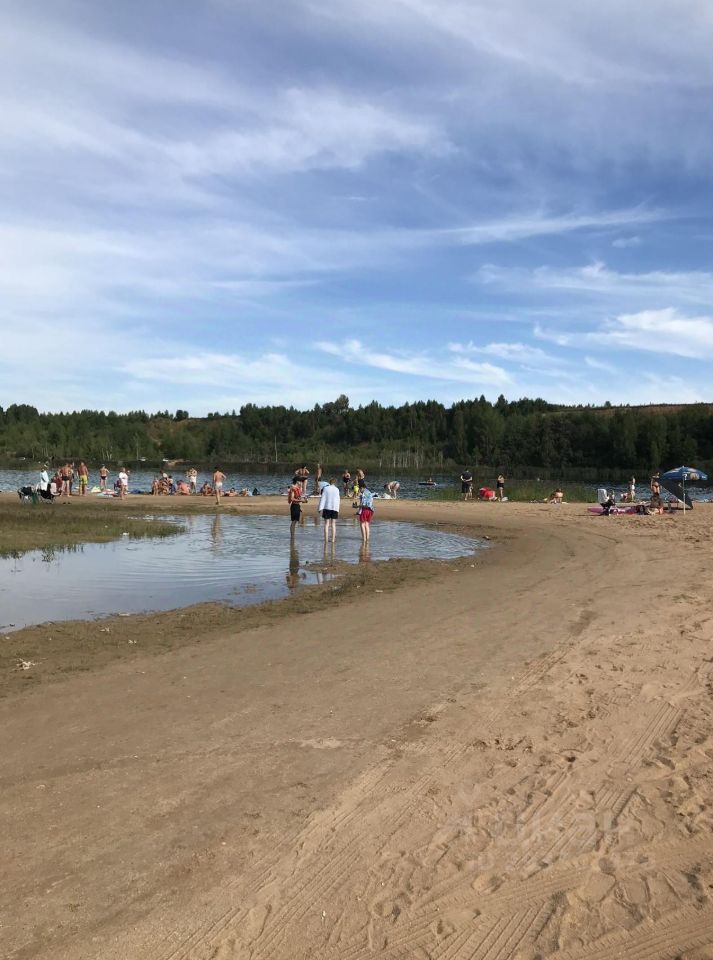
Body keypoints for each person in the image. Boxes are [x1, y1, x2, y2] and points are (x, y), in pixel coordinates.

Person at [318, 477, 340, 543]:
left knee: (326, 524)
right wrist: (337, 509)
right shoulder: (337, 489)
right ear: (335, 483)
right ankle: (333, 540)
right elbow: (338, 500)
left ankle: (326, 540)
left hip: (327, 507)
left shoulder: (326, 488)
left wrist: (320, 508)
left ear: (329, 482)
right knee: (333, 524)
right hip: (334, 508)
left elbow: (323, 498)